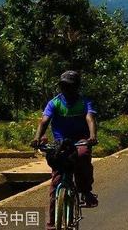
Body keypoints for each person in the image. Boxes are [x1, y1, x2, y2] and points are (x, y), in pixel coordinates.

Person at [31, 71, 98, 230]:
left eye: (70, 86)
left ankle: (86, 191)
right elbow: (44, 121)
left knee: (82, 157)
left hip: (80, 140)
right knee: (56, 183)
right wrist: (37, 138)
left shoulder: (84, 102)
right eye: (63, 86)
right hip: (60, 143)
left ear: (76, 87)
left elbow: (90, 118)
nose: (66, 89)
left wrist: (92, 136)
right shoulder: (54, 103)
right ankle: (52, 224)